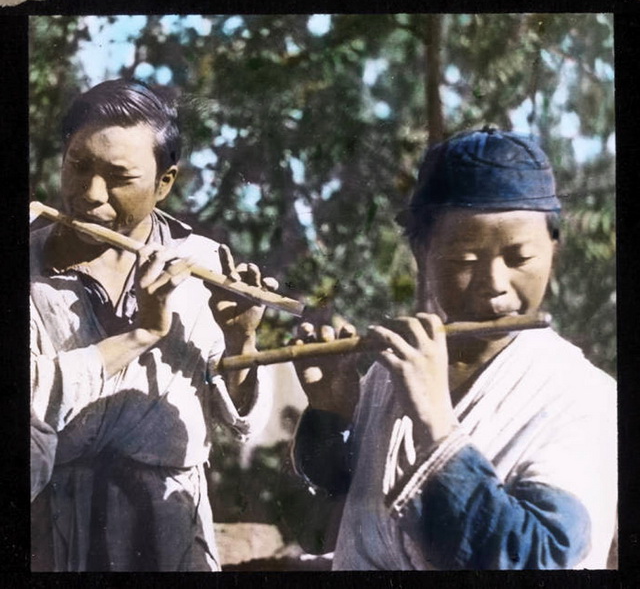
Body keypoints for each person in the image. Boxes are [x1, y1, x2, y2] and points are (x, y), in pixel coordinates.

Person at [291, 128, 617, 570]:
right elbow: (344, 493)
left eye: (520, 259)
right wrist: (334, 410)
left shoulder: (583, 396)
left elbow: (542, 559)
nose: (495, 287)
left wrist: (434, 421)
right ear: (423, 255)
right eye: (464, 261)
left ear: (553, 249)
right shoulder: (393, 371)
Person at [30, 79, 277, 571]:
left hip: (172, 535)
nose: (91, 195)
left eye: (119, 177)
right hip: (49, 534)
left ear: (165, 182)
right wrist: (139, 334)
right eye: (79, 167)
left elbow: (239, 425)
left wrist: (241, 339)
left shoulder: (203, 261)